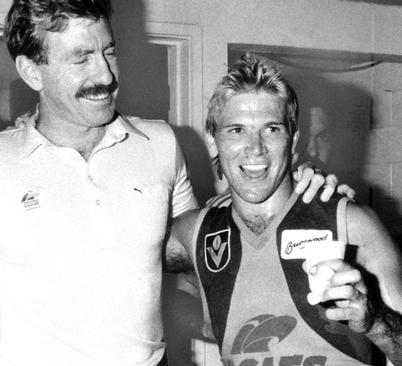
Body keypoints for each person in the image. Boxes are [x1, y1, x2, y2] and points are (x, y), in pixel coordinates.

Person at [0, 1, 343, 364]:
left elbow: (200, 252)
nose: (105, 74)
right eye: (81, 58)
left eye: (109, 52)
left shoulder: (161, 143)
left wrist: (295, 193)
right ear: (32, 71)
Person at [171, 55, 402, 365]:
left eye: (271, 129)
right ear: (213, 142)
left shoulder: (352, 223)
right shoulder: (197, 232)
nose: (255, 148)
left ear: (293, 141)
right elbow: (114, 260)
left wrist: (374, 321)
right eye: (236, 130)